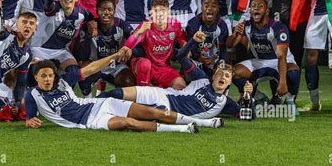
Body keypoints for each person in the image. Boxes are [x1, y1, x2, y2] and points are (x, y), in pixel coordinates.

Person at [25, 56, 223, 132]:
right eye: (44, 76)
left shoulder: (63, 81)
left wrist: (113, 56)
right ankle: (183, 130)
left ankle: (205, 123)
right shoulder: (32, 95)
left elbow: (91, 68)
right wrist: (29, 121)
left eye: (50, 75)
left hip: (99, 105)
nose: (48, 79)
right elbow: (30, 118)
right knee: (129, 123)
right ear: (36, 78)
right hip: (89, 122)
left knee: (152, 112)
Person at [97, 31, 250, 120]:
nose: (223, 77)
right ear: (213, 76)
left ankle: (99, 114)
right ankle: (87, 104)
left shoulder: (225, 103)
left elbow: (248, 115)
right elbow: (182, 57)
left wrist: (248, 96)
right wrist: (192, 42)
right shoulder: (201, 78)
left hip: (168, 113)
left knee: (126, 111)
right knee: (118, 93)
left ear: (229, 84)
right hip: (162, 95)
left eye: (227, 76)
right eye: (220, 73)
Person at [227, 0, 301, 113]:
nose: (256, 8)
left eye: (260, 6)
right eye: (253, 6)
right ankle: (259, 98)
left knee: (293, 72)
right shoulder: (245, 26)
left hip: (279, 61)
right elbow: (229, 45)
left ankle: (290, 101)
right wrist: (235, 33)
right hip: (259, 61)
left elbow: (281, 56)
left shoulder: (278, 27)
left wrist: (282, 82)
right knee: (232, 73)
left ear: (267, 11)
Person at [31, 0, 94, 86]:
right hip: (39, 49)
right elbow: (47, 5)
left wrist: (94, 26)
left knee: (74, 72)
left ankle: (62, 94)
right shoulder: (54, 8)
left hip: (60, 51)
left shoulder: (82, 14)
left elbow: (93, 19)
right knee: (36, 72)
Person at [77, 0, 135, 95]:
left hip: (116, 66)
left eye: (110, 9)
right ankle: (88, 101)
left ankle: (119, 103)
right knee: (83, 68)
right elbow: (81, 55)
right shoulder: (89, 26)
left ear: (114, 11)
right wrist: (89, 35)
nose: (106, 12)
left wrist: (130, 49)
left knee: (129, 81)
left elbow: (137, 44)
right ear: (97, 10)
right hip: (96, 64)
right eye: (102, 9)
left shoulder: (122, 25)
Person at [124, 0, 187, 89]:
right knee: (145, 64)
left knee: (181, 86)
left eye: (163, 10)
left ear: (168, 12)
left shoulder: (175, 25)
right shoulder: (146, 26)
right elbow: (128, 45)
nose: (160, 14)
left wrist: (185, 47)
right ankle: (143, 95)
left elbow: (182, 38)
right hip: (144, 65)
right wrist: (138, 32)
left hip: (164, 68)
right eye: (156, 11)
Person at [185, 0, 230, 77]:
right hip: (197, 59)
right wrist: (199, 58)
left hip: (214, 59)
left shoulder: (222, 25)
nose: (210, 8)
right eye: (206, 5)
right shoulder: (192, 24)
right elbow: (189, 48)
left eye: (213, 6)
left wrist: (220, 63)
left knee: (222, 74)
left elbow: (223, 49)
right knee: (188, 73)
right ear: (201, 8)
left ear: (217, 9)